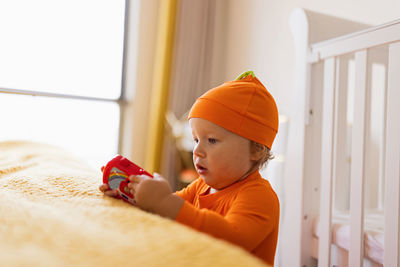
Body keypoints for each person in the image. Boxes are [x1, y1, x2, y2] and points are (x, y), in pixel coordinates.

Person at [99, 71, 280, 266]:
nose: (197, 151)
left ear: (256, 149)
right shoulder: (200, 186)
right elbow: (166, 213)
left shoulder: (259, 197)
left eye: (211, 140)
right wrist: (133, 196)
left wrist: (163, 201)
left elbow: (231, 240)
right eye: (195, 140)